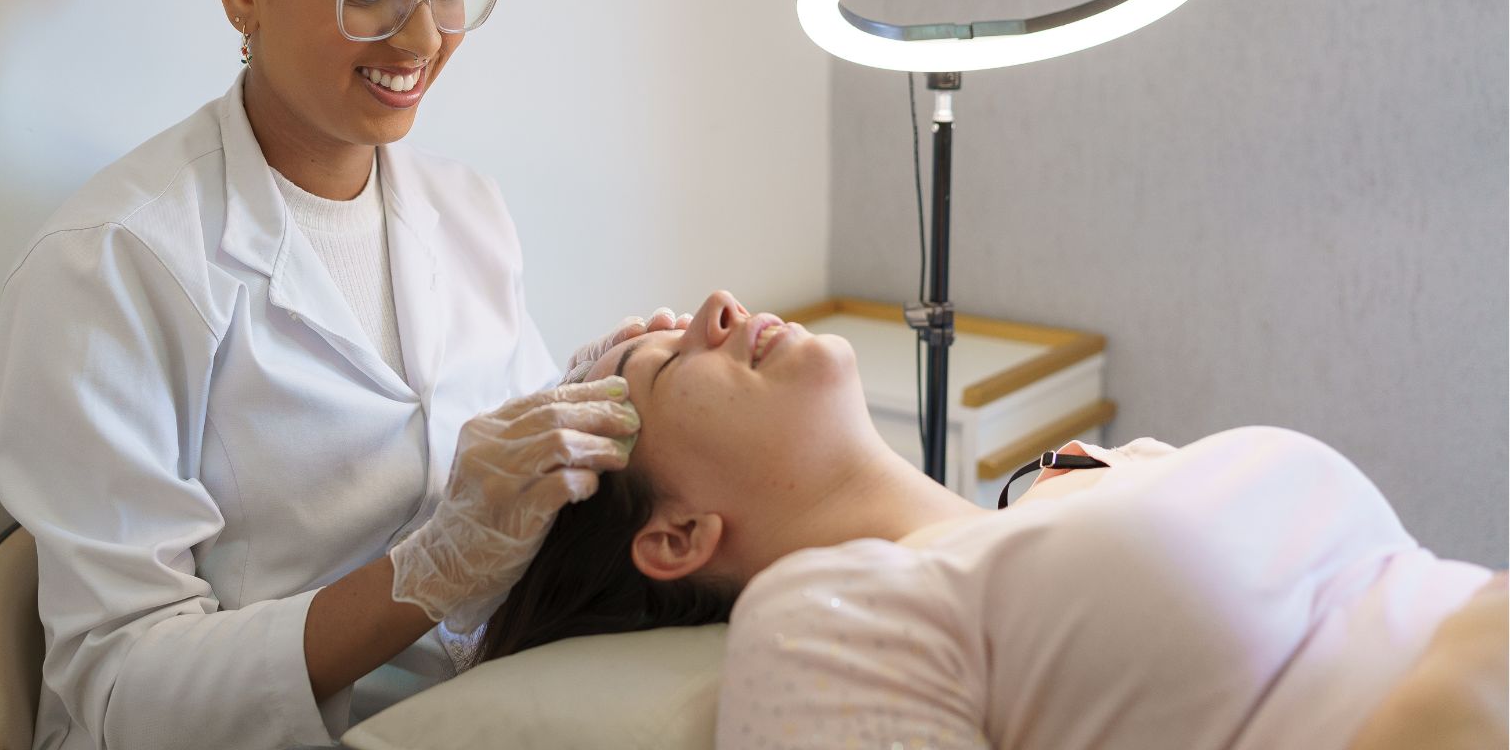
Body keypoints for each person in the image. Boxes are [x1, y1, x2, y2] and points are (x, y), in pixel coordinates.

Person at [0, 0, 680, 750]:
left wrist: (592, 402)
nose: (420, 38)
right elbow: (120, 698)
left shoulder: (466, 214)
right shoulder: (115, 263)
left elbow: (483, 493)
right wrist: (424, 573)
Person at [483, 290, 1507, 750]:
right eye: (661, 367)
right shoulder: (827, 619)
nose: (714, 306)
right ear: (676, 536)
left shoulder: (1099, 466)